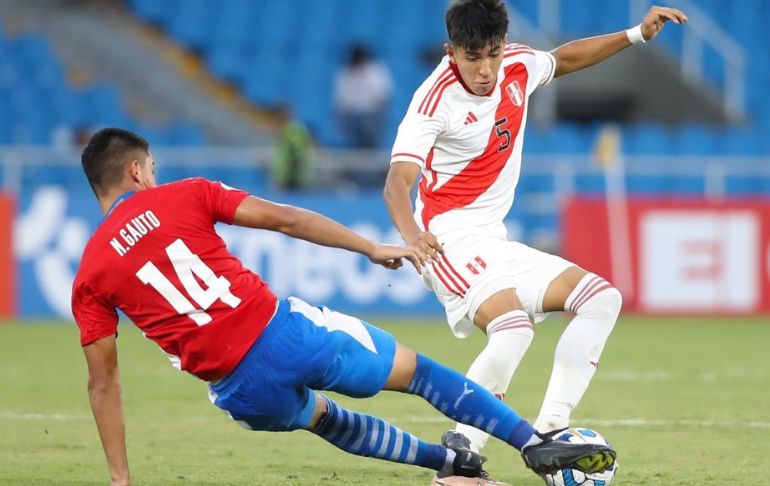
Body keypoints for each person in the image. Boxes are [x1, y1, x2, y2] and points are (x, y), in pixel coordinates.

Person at [72, 128, 616, 485]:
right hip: (284, 334)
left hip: (237, 391)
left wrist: (121, 480)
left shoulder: (90, 272)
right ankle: (533, 446)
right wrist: (369, 246)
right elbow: (287, 219)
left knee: (324, 418)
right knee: (419, 373)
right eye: (152, 169)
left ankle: (451, 464)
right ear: (140, 171)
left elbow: (104, 385)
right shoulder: (182, 194)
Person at [384, 0, 687, 453]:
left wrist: (636, 33)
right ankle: (460, 452)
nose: (485, 69)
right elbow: (396, 183)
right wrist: (412, 238)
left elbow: (563, 59)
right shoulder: (434, 100)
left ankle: (549, 432)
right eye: (472, 57)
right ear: (451, 52)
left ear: (503, 45)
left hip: (492, 238)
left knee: (602, 298)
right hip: (445, 238)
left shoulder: (519, 64)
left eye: (493, 53)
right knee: (513, 327)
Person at [334, 44, 393, 149]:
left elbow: (383, 95)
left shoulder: (375, 70)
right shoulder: (345, 73)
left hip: (372, 113)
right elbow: (341, 101)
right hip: (352, 115)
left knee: (371, 134)